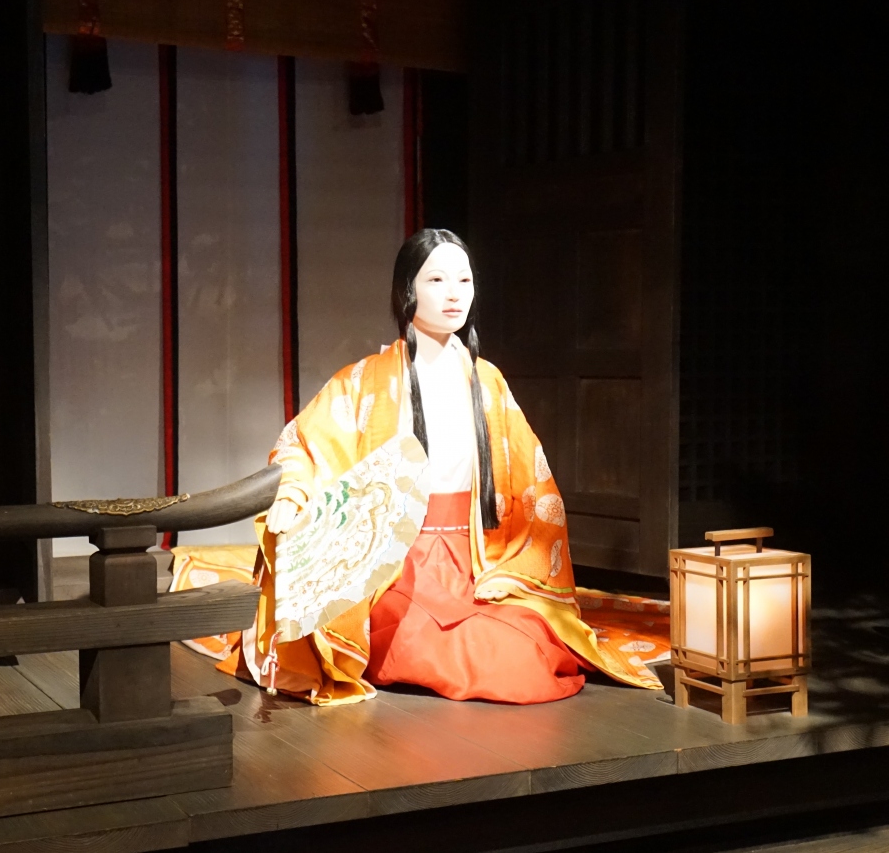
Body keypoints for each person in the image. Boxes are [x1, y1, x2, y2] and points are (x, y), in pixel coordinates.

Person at [215, 229, 661, 705]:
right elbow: (303, 444)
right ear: (407, 290)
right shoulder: (366, 381)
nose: (454, 294)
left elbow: (534, 484)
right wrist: (292, 493)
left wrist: (511, 566)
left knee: (530, 647)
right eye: (436, 280)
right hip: (396, 562)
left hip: (478, 561)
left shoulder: (487, 381)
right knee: (453, 646)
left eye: (464, 280)